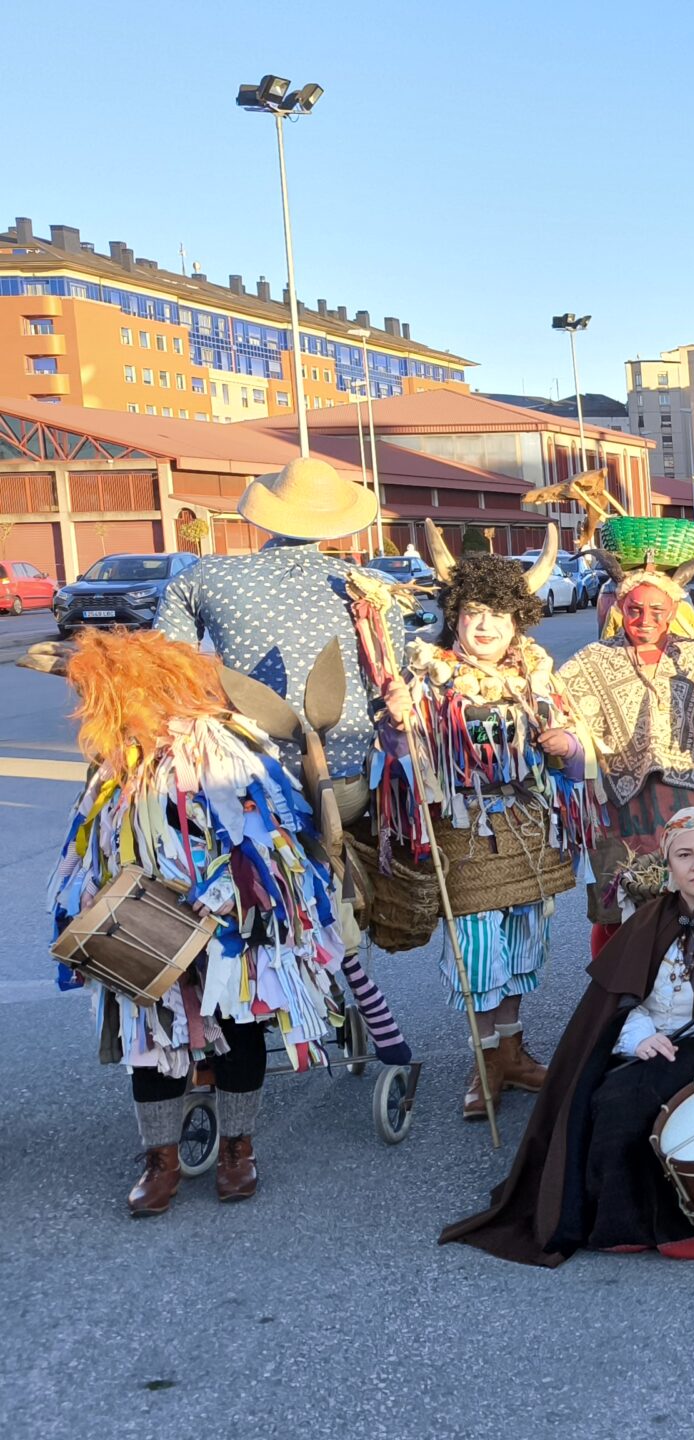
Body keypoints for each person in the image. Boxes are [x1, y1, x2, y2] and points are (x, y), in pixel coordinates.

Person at [441, 809, 694, 1266]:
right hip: (663, 1042)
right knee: (615, 1099)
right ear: (669, 864)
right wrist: (639, 1036)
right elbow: (620, 1003)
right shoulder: (648, 924)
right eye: (684, 855)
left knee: (688, 1114)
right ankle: (619, 1222)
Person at [46, 629, 347, 1214]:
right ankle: (161, 1159)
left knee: (236, 1029)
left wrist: (228, 893)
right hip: (143, 921)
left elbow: (267, 836)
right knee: (153, 1040)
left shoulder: (224, 747)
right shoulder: (116, 760)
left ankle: (239, 1148)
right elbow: (94, 841)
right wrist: (91, 894)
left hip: (225, 922)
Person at [154, 455, 410, 1067]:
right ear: (337, 522)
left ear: (265, 514)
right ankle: (365, 1010)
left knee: (246, 877)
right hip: (341, 787)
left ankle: (247, 1008)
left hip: (244, 784)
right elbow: (389, 685)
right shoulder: (370, 590)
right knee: (328, 871)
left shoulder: (204, 577)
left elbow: (166, 664)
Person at [382, 547, 600, 1119]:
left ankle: (512, 1051)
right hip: (463, 833)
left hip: (528, 827)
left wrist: (567, 746)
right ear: (455, 615)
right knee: (477, 953)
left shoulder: (535, 675)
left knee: (526, 942)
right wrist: (398, 725)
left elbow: (576, 760)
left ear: (516, 623)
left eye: (498, 615)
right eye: (475, 611)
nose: (485, 626)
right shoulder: (426, 679)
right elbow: (402, 766)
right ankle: (484, 1067)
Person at [555, 531, 694, 940]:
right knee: (625, 894)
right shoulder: (588, 662)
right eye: (634, 610)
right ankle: (624, 986)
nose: (644, 621)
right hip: (620, 802)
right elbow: (556, 706)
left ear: (671, 613)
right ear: (619, 608)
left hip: (691, 793)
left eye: (655, 611)